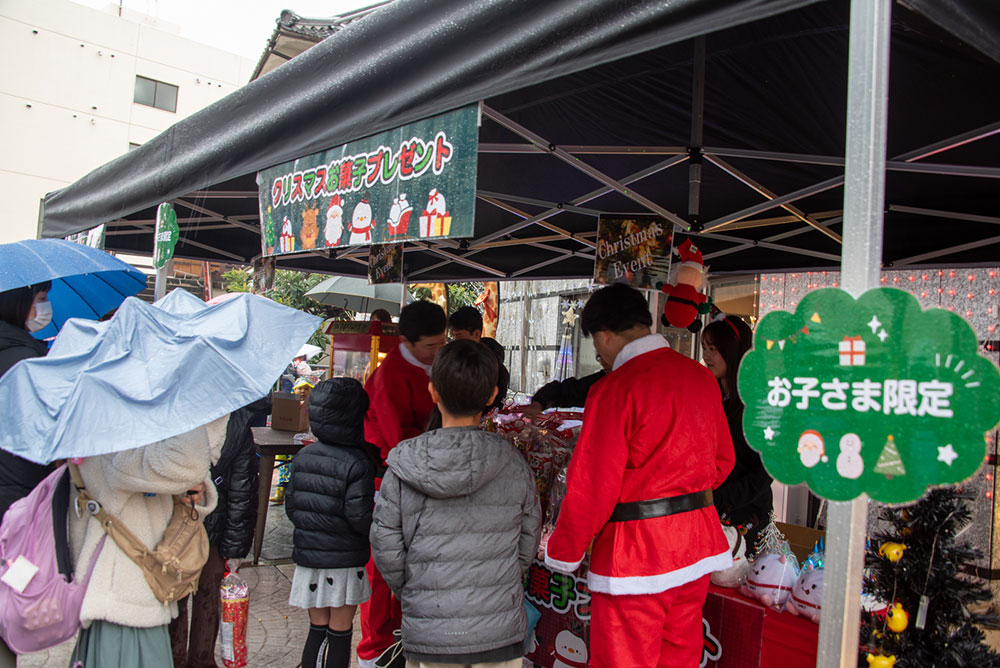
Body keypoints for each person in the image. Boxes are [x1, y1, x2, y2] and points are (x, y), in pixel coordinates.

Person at [543, 284, 735, 668]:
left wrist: (563, 551)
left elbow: (592, 487)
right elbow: (722, 461)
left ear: (603, 335)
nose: (600, 356)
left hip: (635, 557)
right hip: (696, 545)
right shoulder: (700, 378)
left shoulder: (614, 389)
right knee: (679, 658)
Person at [370, 340, 539, 668]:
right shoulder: (513, 464)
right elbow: (527, 543)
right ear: (491, 396)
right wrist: (497, 583)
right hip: (498, 633)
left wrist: (418, 592)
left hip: (432, 633)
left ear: (432, 392)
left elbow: (385, 547)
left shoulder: (404, 464)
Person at [68, 419, 227, 667]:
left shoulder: (102, 421)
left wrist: (185, 487)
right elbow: (189, 461)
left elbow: (176, 469)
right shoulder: (111, 430)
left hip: (124, 591)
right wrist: (180, 402)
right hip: (124, 598)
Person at [358, 300, 447, 668]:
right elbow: (398, 442)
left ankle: (399, 639)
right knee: (381, 568)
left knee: (410, 565)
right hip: (387, 475)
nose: (437, 352)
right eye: (430, 346)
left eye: (442, 343)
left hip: (419, 472)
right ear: (407, 342)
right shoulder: (389, 376)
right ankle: (374, 649)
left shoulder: (432, 366)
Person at [169, 398, 268, 668]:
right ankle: (185, 660)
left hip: (203, 528)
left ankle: (194, 660)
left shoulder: (234, 423)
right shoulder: (232, 421)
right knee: (184, 599)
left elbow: (242, 491)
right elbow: (242, 492)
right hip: (180, 529)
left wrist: (234, 549)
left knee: (204, 598)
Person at [286, 378, 376, 668]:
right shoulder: (358, 462)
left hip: (309, 560)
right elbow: (360, 517)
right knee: (340, 631)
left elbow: (292, 507)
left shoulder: (303, 456)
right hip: (345, 562)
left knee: (316, 629)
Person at [0, 281, 53, 664]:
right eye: (41, 299)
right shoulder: (23, 361)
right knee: (11, 595)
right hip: (16, 500)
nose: (46, 307)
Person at [702, 315, 772, 550]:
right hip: (710, 507)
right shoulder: (710, 395)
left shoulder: (757, 402)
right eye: (704, 348)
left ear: (732, 350)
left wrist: (722, 498)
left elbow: (766, 469)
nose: (706, 355)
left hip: (746, 513)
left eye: (713, 349)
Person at [448, 306, 509, 410]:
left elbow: (494, 410)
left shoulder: (496, 370)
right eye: (453, 336)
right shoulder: (452, 360)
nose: (455, 341)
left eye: (459, 335)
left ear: (476, 334)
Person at [520, 352, 610, 418]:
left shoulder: (609, 383)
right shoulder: (600, 382)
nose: (603, 362)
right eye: (599, 357)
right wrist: (538, 404)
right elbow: (565, 391)